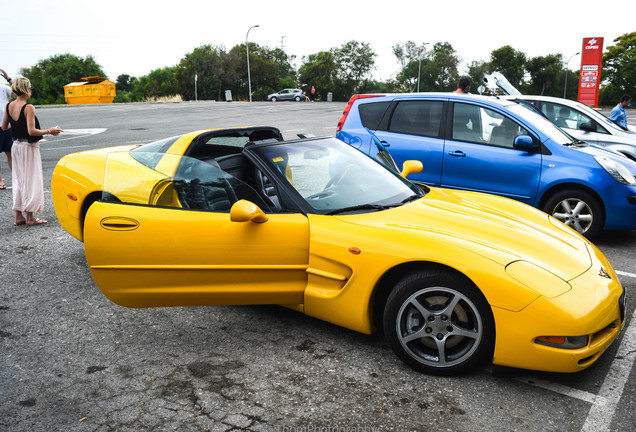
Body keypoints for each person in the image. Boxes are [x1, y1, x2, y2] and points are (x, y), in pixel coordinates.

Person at [1, 77, 62, 226]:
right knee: (31, 180)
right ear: (26, 89)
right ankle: (30, 217)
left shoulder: (9, 106)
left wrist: (16, 127)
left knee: (19, 179)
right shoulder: (28, 107)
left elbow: (3, 127)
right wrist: (49, 131)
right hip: (28, 147)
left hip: (16, 146)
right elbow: (32, 131)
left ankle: (18, 215)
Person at [0, 69, 14, 190]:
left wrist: (9, 79)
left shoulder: (3, 87)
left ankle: (17, 178)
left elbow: (17, 94)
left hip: (6, 126)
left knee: (11, 153)